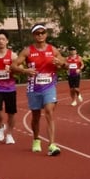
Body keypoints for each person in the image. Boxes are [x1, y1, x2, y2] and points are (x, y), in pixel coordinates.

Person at [13, 24, 66, 156]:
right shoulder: (27, 51)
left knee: (49, 112)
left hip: (49, 87)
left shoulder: (53, 50)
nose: (40, 35)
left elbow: (66, 64)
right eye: (37, 33)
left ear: (46, 34)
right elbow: (13, 66)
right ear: (34, 35)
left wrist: (61, 63)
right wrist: (25, 70)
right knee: (35, 116)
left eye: (42, 33)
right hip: (34, 88)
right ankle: (36, 139)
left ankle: (52, 144)